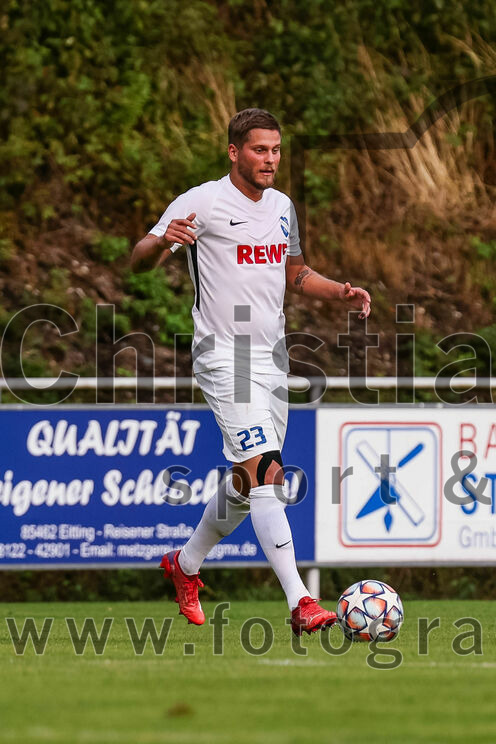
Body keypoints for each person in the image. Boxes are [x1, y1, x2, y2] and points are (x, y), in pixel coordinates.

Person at [131, 108, 371, 636]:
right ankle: (301, 601)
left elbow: (294, 271)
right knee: (268, 474)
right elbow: (139, 256)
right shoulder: (204, 201)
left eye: (276, 150)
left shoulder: (282, 206)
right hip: (224, 355)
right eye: (260, 150)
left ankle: (185, 565)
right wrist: (161, 239)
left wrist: (340, 291)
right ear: (235, 152)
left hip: (272, 357)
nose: (270, 160)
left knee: (246, 481)